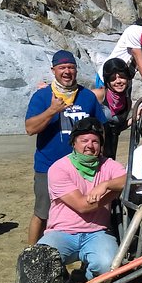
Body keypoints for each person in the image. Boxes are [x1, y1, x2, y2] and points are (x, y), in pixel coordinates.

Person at [25, 50, 107, 245]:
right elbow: (30, 128)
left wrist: (101, 160)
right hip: (49, 166)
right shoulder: (42, 96)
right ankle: (30, 253)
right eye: (62, 68)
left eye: (71, 67)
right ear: (53, 70)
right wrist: (52, 110)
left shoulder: (87, 96)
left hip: (84, 166)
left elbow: (101, 129)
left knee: (84, 212)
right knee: (43, 212)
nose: (67, 72)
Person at [37, 117, 126, 281]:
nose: (90, 146)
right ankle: (60, 276)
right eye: (84, 140)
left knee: (108, 266)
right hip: (61, 232)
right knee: (39, 262)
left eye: (95, 141)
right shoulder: (59, 168)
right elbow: (83, 206)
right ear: (73, 143)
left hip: (97, 233)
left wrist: (106, 184)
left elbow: (129, 179)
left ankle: (84, 276)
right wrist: (114, 193)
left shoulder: (109, 165)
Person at [93, 2, 142, 96]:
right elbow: (139, 62)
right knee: (104, 107)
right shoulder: (134, 32)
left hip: (125, 82)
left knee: (122, 109)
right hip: (108, 77)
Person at [98, 58, 133, 160]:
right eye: (113, 78)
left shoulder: (127, 102)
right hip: (94, 151)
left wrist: (135, 118)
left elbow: (118, 128)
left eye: (122, 77)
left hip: (111, 152)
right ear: (107, 81)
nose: (118, 81)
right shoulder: (99, 95)